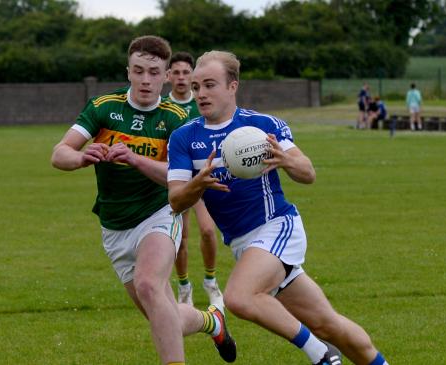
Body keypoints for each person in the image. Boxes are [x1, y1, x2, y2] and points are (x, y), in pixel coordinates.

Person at [167, 50, 390, 365]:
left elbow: (307, 172)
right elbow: (176, 200)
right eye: (196, 86)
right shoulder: (184, 138)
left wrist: (287, 160)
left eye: (210, 85)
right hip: (246, 246)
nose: (201, 93)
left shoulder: (261, 127)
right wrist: (197, 184)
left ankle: (321, 355)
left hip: (278, 226)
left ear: (232, 86)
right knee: (328, 324)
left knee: (238, 298)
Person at [50, 36, 236, 365]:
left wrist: (136, 159)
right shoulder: (103, 107)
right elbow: (59, 153)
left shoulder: (177, 118)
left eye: (153, 72)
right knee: (164, 318)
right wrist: (81, 158)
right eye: (139, 71)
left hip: (158, 214)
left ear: (165, 76)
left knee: (149, 285)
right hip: (114, 226)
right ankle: (212, 321)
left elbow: (183, 178)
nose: (146, 80)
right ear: (128, 72)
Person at [165, 51, 225, 310]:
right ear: (168, 76)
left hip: (203, 178)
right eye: (175, 72)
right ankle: (184, 287)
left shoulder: (201, 103)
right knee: (181, 238)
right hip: (178, 180)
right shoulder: (162, 107)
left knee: (209, 231)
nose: (181, 77)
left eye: (185, 72)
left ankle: (211, 282)